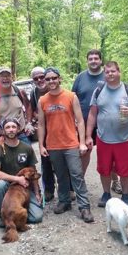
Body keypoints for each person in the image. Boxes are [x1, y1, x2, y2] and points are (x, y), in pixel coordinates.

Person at [37, 67, 94, 223]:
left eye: (54, 78)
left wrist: (81, 142)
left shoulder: (70, 96)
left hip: (71, 144)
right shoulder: (42, 100)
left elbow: (80, 120)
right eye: (48, 79)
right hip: (53, 145)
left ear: (59, 78)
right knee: (61, 175)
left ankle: (84, 207)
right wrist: (41, 145)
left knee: (76, 174)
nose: (51, 81)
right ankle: (64, 201)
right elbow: (41, 125)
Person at [86, 61, 128, 207]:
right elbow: (92, 114)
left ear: (119, 72)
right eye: (107, 72)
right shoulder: (99, 90)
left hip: (125, 139)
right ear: (104, 73)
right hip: (103, 139)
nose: (110, 74)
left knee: (126, 170)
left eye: (113, 71)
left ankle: (125, 195)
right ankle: (106, 194)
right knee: (104, 169)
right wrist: (88, 136)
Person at [72, 49, 123, 195]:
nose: (93, 61)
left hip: (106, 124)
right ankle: (79, 184)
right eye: (90, 59)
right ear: (87, 61)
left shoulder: (108, 76)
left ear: (101, 61)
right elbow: (73, 98)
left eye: (96, 58)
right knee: (83, 153)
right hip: (84, 124)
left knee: (110, 156)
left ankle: (115, 181)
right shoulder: (80, 78)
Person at [0, 118, 43, 227]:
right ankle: (4, 216)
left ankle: (17, 215)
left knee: (37, 217)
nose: (11, 130)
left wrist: (37, 193)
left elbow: (34, 172)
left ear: (18, 129)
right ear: (3, 131)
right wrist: (17, 179)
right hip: (7, 186)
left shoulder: (27, 148)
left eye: (13, 127)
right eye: (7, 127)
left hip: (25, 187)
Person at [0, 66, 34, 156]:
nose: (5, 78)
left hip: (21, 135)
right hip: (1, 137)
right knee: (4, 166)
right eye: (2, 76)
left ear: (12, 77)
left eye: (8, 75)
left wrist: (29, 123)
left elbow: (28, 107)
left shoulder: (19, 92)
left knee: (28, 164)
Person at [29, 66, 56, 202]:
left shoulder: (54, 87)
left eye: (41, 77)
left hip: (59, 130)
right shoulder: (34, 93)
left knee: (63, 162)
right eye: (36, 78)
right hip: (44, 131)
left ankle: (69, 189)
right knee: (46, 161)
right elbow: (33, 111)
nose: (40, 80)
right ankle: (49, 190)